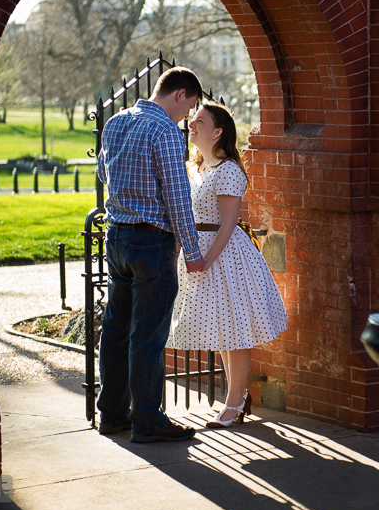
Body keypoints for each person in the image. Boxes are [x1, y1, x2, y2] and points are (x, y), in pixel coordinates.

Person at [95, 67, 207, 443]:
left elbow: (103, 174)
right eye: (190, 107)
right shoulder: (164, 131)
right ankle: (147, 420)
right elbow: (177, 198)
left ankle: (111, 414)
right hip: (152, 241)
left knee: (115, 329)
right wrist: (192, 250)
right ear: (179, 94)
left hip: (117, 236)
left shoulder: (115, 122)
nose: (188, 116)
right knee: (148, 334)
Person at [169, 101, 288, 428]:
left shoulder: (228, 170)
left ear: (218, 131)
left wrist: (206, 259)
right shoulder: (195, 168)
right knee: (222, 329)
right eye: (192, 120)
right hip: (198, 251)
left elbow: (229, 223)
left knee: (234, 329)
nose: (191, 125)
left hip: (224, 255)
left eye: (200, 121)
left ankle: (235, 401)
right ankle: (237, 397)